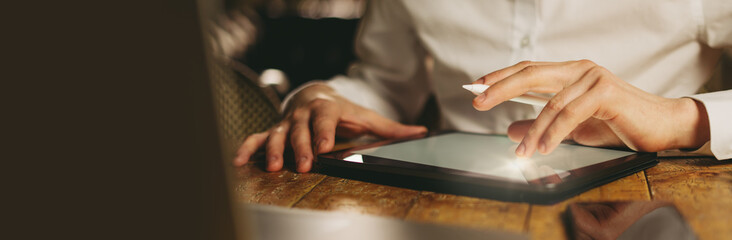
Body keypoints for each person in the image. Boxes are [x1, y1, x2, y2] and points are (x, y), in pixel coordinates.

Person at [234, 0, 732, 172]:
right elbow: (384, 83)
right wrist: (319, 97)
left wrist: (679, 119)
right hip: (446, 210)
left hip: (650, 205)